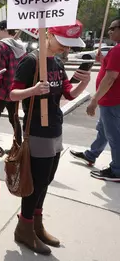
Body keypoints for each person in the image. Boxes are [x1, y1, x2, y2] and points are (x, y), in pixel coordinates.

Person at [10, 21, 90, 255]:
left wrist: (82, 83)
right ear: (50, 35)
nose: (66, 49)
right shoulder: (31, 61)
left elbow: (68, 93)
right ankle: (24, 227)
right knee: (35, 182)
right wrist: (32, 91)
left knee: (46, 180)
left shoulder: (56, 62)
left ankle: (36, 224)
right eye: (63, 43)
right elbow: (13, 94)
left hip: (55, 126)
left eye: (70, 45)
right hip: (37, 128)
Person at [71, 17, 120, 182]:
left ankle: (117, 170)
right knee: (104, 131)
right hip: (112, 101)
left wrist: (94, 100)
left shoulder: (117, 51)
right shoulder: (115, 51)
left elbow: (111, 77)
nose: (109, 31)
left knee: (114, 136)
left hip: (112, 101)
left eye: (113, 28)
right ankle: (91, 155)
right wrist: (103, 61)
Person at [0, 20, 26, 144]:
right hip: (15, 90)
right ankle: (19, 145)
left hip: (2, 91)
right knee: (13, 118)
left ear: (4, 30)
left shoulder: (2, 47)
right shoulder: (21, 47)